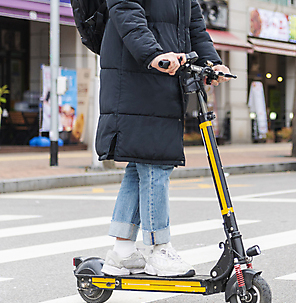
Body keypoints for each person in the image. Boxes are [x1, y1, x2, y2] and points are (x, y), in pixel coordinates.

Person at [96, 0, 231, 277]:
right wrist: (153, 54)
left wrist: (211, 62)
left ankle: (122, 253)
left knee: (141, 164)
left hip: (162, 78)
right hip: (138, 77)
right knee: (156, 161)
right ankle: (159, 249)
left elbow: (194, 25)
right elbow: (126, 12)